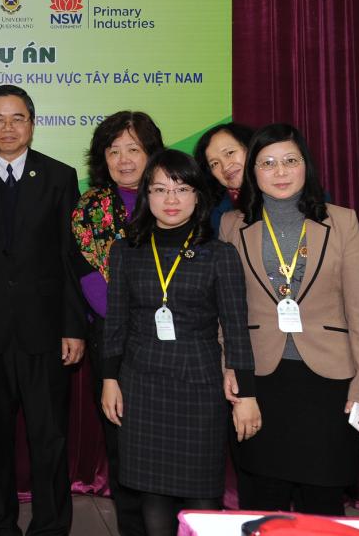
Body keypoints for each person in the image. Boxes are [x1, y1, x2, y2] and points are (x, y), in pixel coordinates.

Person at [219, 123, 359, 515]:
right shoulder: (232, 226)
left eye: (290, 161)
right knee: (262, 502)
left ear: (305, 165)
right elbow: (227, 313)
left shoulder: (342, 221)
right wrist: (233, 376)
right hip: (261, 379)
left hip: (329, 383)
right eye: (268, 163)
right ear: (253, 172)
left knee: (321, 505)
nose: (281, 172)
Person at [0, 85, 87, 536]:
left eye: (17, 118)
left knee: (49, 440)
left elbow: (70, 258)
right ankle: (0, 527)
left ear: (32, 122)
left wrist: (73, 326)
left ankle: (50, 526)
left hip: (44, 333)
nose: (7, 127)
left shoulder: (59, 176)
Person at [100, 149, 258, 536]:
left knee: (202, 495)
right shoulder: (126, 251)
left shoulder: (219, 254)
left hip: (199, 385)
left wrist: (247, 394)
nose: (171, 200)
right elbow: (115, 321)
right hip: (141, 382)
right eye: (159, 189)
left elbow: (236, 327)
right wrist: (109, 379)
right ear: (146, 196)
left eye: (182, 188)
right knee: (151, 492)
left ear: (198, 196)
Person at [70, 111, 163, 536]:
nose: (124, 159)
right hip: (115, 343)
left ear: (151, 153)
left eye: (134, 149)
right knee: (123, 448)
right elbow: (90, 282)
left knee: (172, 447)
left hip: (178, 343)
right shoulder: (90, 208)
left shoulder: (172, 196)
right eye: (114, 150)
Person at [193, 122, 255, 233]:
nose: (225, 167)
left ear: (251, 147)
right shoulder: (215, 215)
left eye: (230, 153)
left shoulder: (282, 192)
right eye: (214, 164)